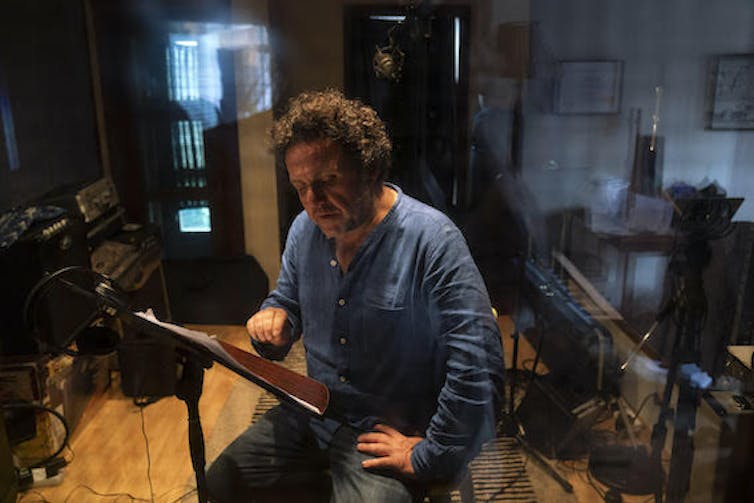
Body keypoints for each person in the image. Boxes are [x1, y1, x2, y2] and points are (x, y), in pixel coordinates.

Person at [206, 89, 505, 503]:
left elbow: (479, 368)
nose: (314, 201)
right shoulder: (302, 230)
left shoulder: (433, 241)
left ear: (369, 169)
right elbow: (286, 302)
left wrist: (429, 455)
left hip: (385, 432)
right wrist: (274, 319)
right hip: (313, 411)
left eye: (328, 182)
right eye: (301, 187)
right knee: (221, 483)